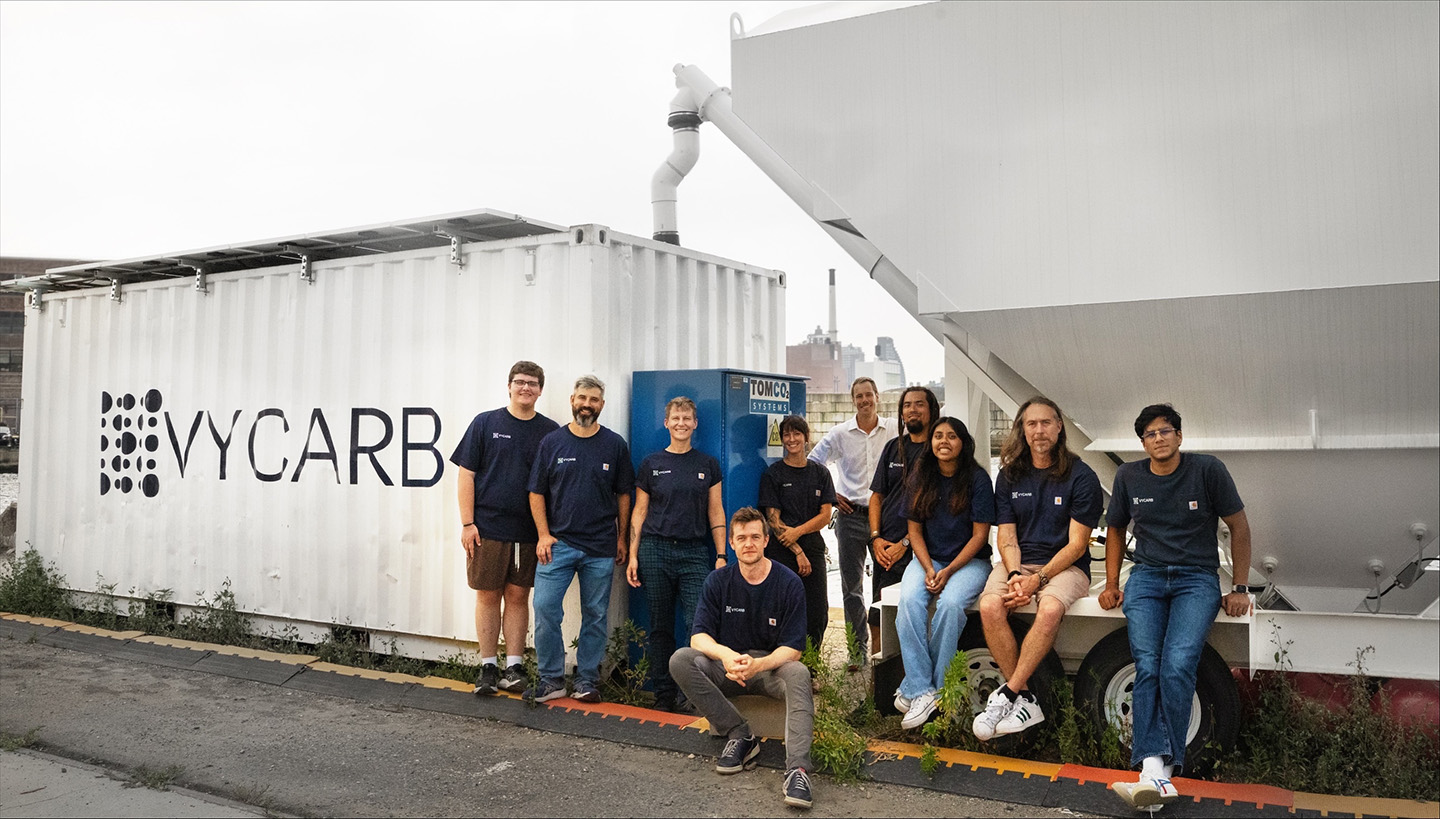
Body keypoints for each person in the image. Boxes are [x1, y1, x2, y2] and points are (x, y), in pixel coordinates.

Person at [1100, 404, 1253, 810]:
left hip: (1197, 578)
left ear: (1180, 436)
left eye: (1166, 431)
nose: (1159, 438)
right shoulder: (1128, 476)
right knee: (1148, 664)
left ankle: (1156, 771)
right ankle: (1155, 770)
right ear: (1143, 443)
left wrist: (1239, 586)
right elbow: (1114, 528)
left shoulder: (1207, 470)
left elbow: (1238, 525)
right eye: (1150, 434)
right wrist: (1112, 584)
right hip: (1147, 577)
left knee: (1178, 662)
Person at [971, 397, 1103, 739]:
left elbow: (1077, 545)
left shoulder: (1081, 476)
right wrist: (1016, 575)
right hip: (1020, 562)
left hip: (1066, 567)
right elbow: (1007, 538)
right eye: (1032, 424)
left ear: (1059, 427)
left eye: (1046, 423)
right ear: (1022, 430)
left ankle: (1010, 692)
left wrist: (1038, 580)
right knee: (989, 605)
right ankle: (1027, 697)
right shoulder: (1010, 475)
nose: (1039, 430)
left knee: (1049, 609)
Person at [669, 506, 816, 810]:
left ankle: (797, 770)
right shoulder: (718, 581)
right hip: (728, 666)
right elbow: (699, 637)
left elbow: (794, 648)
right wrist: (726, 657)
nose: (748, 543)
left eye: (754, 537)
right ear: (732, 544)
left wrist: (758, 665)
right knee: (681, 660)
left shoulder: (788, 583)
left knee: (799, 672)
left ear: (765, 541)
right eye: (741, 538)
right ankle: (739, 733)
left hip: (769, 668)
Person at [450, 361, 559, 695]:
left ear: (540, 390)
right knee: (487, 595)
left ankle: (513, 666)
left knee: (517, 596)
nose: (525, 388)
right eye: (519, 382)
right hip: (488, 528)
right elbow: (466, 474)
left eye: (532, 383)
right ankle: (487, 667)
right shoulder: (486, 423)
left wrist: (547, 532)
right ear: (509, 386)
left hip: (529, 532)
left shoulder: (550, 431)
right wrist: (467, 523)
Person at [526, 375, 635, 703]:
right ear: (572, 400)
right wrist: (543, 534)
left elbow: (624, 494)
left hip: (601, 547)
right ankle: (551, 679)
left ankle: (587, 680)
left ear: (602, 405)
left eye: (594, 400)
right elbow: (536, 492)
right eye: (582, 398)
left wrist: (622, 538)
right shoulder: (552, 442)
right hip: (558, 545)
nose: (587, 404)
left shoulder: (614, 445)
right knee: (545, 607)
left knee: (596, 614)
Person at [626, 396, 726, 713]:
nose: (681, 423)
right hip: (654, 550)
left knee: (696, 625)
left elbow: (716, 511)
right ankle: (663, 694)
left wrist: (721, 554)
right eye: (675, 418)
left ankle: (691, 692)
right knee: (660, 626)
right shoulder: (651, 464)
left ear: (695, 424)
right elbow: (638, 513)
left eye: (687, 418)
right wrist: (632, 555)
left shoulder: (707, 464)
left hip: (695, 552)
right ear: (666, 423)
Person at [896, 417, 995, 729]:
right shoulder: (920, 477)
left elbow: (980, 536)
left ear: (962, 443)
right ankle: (921, 689)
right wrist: (928, 568)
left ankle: (935, 689)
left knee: (950, 606)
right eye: (938, 436)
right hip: (929, 559)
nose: (944, 441)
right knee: (909, 601)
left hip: (970, 562)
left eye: (952, 436)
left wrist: (950, 570)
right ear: (931, 443)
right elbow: (914, 531)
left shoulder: (977, 480)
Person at [808, 377, 896, 664]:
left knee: (884, 586)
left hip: (886, 519)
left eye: (868, 395)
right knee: (851, 588)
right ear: (853, 400)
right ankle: (857, 651)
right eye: (858, 396)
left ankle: (884, 650)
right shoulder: (840, 433)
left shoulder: (894, 429)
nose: (864, 400)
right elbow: (812, 463)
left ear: (877, 397)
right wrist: (832, 495)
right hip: (851, 517)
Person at [866, 386, 938, 654]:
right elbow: (876, 496)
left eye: (919, 404)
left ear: (931, 410)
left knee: (914, 615)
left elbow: (935, 508)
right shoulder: (893, 448)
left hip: (919, 551)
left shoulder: (938, 452)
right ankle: (879, 686)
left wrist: (905, 543)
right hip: (884, 550)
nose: (912, 410)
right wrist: (875, 538)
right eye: (907, 405)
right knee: (877, 615)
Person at [758, 415, 835, 652]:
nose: (792, 439)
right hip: (781, 552)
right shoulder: (774, 474)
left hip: (813, 548)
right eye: (787, 435)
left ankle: (811, 666)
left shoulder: (820, 473)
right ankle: (781, 665)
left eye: (796, 434)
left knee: (817, 610)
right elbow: (773, 519)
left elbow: (825, 516)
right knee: (782, 608)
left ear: (806, 437)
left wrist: (799, 533)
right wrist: (797, 550)